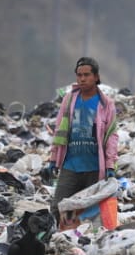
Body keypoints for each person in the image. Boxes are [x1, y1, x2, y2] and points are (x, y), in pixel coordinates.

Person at [44, 57, 119, 228]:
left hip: (94, 166)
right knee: (57, 207)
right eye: (79, 75)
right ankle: (54, 239)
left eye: (86, 75)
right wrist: (54, 159)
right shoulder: (69, 100)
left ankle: (80, 244)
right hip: (71, 164)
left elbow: (111, 135)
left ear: (96, 77)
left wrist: (110, 165)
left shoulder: (106, 103)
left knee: (88, 211)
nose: (82, 79)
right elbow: (60, 130)